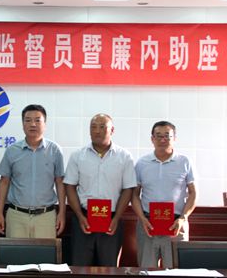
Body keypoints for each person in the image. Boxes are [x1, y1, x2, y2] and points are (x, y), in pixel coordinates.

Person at [64, 114, 136, 266]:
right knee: (80, 268)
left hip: (112, 220)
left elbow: (128, 189)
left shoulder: (124, 157)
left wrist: (116, 218)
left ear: (112, 130)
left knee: (109, 269)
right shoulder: (77, 156)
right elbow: (69, 186)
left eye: (102, 127)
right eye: (93, 127)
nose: (97, 131)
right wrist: (79, 216)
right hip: (83, 219)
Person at [132, 121, 197, 268]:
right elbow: (134, 194)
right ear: (152, 139)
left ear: (175, 138)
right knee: (146, 271)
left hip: (176, 223)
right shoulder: (142, 163)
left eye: (167, 136)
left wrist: (183, 218)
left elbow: (193, 193)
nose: (162, 140)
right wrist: (142, 218)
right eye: (158, 136)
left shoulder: (185, 162)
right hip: (148, 223)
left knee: (177, 272)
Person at [0, 104, 66, 238]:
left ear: (45, 124)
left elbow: (60, 182)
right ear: (23, 124)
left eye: (37, 120)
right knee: (15, 252)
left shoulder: (55, 150)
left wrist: (62, 213)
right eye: (28, 120)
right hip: (16, 215)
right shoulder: (12, 151)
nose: (33, 124)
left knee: (45, 252)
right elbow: (4, 182)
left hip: (46, 216)